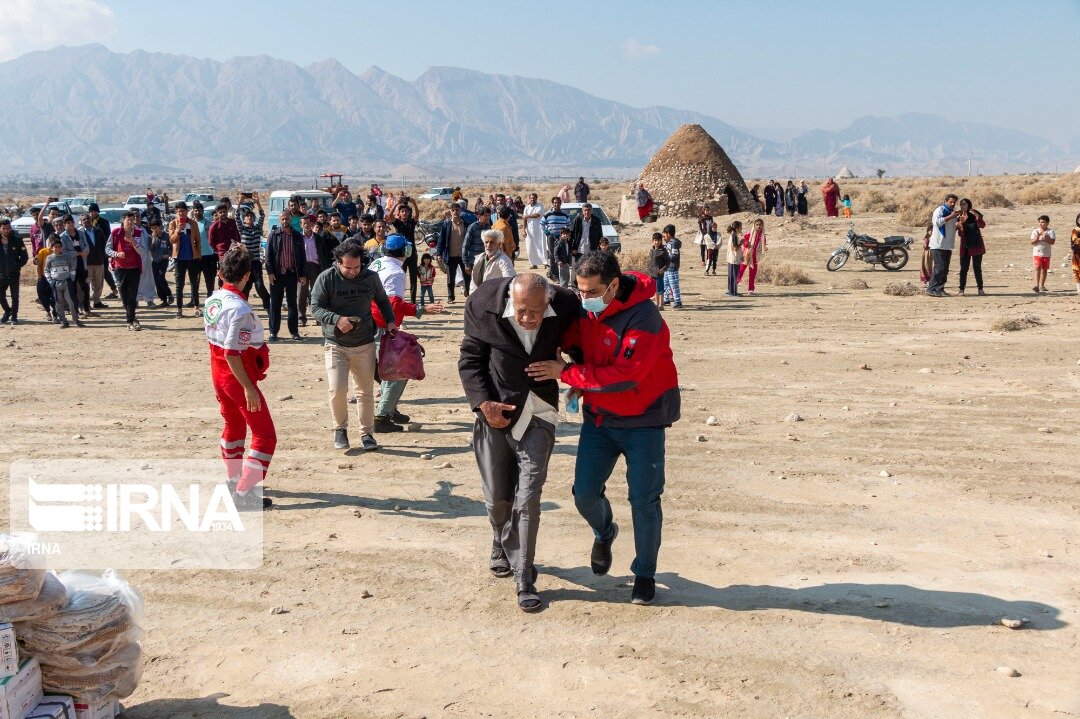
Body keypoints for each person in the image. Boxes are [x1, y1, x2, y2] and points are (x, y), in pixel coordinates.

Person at [526, 251, 680, 606]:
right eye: (579, 291)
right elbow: (572, 341)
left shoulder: (645, 317)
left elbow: (626, 377)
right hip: (599, 419)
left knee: (644, 500)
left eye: (591, 291)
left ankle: (644, 573)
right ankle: (604, 530)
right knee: (584, 493)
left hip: (644, 421)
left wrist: (566, 374)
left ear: (613, 285)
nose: (584, 298)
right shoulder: (584, 308)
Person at [459, 273, 581, 612]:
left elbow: (584, 347)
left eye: (536, 312)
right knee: (498, 497)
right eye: (522, 310)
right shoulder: (482, 304)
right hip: (495, 412)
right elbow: (470, 360)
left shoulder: (567, 305)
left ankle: (524, 577)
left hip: (540, 412)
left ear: (548, 303)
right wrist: (483, 404)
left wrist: (566, 368)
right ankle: (499, 538)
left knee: (528, 497)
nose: (528, 318)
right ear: (512, 299)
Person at [202, 244, 275, 511]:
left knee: (233, 427)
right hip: (236, 377)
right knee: (265, 435)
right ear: (247, 276)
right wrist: (249, 387)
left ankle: (234, 479)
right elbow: (233, 352)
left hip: (218, 374)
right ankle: (244, 492)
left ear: (221, 273)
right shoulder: (240, 310)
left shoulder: (213, 299)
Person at [311, 241, 397, 451]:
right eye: (347, 268)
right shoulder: (326, 278)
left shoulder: (370, 277)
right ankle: (340, 429)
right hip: (336, 345)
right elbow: (315, 308)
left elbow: (383, 300)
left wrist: (391, 321)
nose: (352, 271)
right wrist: (336, 319)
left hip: (365, 344)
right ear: (338, 263)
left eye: (356, 267)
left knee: (365, 392)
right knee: (337, 389)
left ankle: (367, 434)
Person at [369, 235, 445, 432]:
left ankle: (389, 409)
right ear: (407, 252)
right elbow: (393, 304)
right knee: (398, 368)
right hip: (382, 325)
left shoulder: (377, 263)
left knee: (389, 369)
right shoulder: (396, 272)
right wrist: (419, 309)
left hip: (371, 323)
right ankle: (382, 416)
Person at [265, 211, 304, 341]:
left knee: (292, 304)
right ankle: (273, 332)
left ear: (291, 219)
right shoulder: (274, 235)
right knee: (275, 304)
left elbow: (302, 257)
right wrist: (270, 272)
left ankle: (294, 332)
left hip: (292, 274)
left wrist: (302, 274)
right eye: (282, 219)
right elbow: (268, 255)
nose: (284, 220)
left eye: (287, 218)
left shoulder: (297, 235)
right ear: (279, 220)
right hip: (277, 275)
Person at [107, 211, 143, 331]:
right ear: (123, 221)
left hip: (134, 268)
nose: (131, 223)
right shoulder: (116, 233)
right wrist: (116, 254)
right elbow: (107, 249)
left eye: (133, 220)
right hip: (120, 268)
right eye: (129, 220)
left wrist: (134, 243)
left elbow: (143, 252)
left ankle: (130, 321)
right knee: (124, 296)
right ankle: (132, 318)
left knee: (132, 296)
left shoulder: (138, 233)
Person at [169, 202, 203, 317]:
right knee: (179, 285)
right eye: (179, 211)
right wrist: (178, 231)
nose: (181, 213)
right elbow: (172, 240)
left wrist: (198, 256)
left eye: (183, 211)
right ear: (176, 212)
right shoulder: (173, 224)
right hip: (179, 258)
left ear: (186, 211)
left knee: (194, 283)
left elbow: (198, 241)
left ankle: (196, 307)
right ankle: (179, 309)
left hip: (192, 257)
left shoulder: (193, 224)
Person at [436, 202, 472, 303]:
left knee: (467, 276)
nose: (455, 212)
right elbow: (441, 240)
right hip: (451, 255)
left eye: (457, 210)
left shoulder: (466, 223)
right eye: (453, 210)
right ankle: (451, 297)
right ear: (450, 211)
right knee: (450, 278)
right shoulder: (446, 224)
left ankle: (469, 295)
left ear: (460, 211)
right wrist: (439, 254)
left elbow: (470, 239)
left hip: (464, 256)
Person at [238, 201, 269, 311]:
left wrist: (257, 202)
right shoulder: (242, 229)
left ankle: (267, 304)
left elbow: (262, 215)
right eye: (247, 216)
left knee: (259, 285)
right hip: (245, 262)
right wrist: (240, 202)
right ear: (244, 219)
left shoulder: (257, 228)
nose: (249, 217)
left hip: (255, 262)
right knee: (245, 287)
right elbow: (237, 216)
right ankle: (243, 308)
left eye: (251, 216)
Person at [928, 194, 960, 297]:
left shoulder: (953, 213)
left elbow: (952, 227)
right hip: (938, 245)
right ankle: (932, 289)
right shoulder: (940, 210)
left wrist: (959, 223)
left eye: (954, 202)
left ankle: (940, 289)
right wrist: (952, 216)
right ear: (946, 201)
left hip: (947, 245)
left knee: (945, 269)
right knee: (939, 268)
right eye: (951, 202)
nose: (952, 204)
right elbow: (937, 223)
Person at [83, 203, 114, 307]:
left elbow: (106, 241)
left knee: (100, 280)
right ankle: (85, 302)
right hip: (87, 261)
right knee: (86, 282)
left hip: (100, 257)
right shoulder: (80, 232)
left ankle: (97, 301)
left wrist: (106, 254)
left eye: (95, 211)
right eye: (91, 212)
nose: (93, 213)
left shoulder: (102, 225)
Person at [0, 218, 29, 325]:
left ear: (10, 228)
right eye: (3, 228)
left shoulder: (17, 240)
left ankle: (14, 317)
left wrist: (17, 266)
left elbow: (24, 257)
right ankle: (7, 311)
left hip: (14, 274)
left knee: (14, 296)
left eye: (8, 228)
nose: (6, 230)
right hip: (1, 274)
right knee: (1, 295)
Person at [956, 199, 986, 296]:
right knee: (963, 269)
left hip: (976, 245)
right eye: (961, 205)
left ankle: (980, 289)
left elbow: (982, 225)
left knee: (977, 268)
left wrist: (975, 213)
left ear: (969, 205)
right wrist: (961, 223)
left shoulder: (974, 215)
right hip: (965, 246)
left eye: (964, 204)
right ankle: (961, 289)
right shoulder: (959, 217)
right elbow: (960, 233)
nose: (962, 206)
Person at [569, 203, 603, 283]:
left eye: (588, 210)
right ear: (582, 211)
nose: (586, 212)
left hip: (591, 249)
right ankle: (575, 286)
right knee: (577, 268)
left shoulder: (596, 220)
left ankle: (587, 285)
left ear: (591, 211)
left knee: (590, 268)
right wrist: (573, 248)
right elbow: (572, 234)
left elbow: (599, 235)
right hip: (578, 249)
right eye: (585, 210)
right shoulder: (577, 220)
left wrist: (599, 248)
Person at [540, 197, 571, 281]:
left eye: (558, 203)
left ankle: (551, 273)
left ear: (560, 203)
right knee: (553, 256)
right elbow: (542, 224)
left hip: (562, 239)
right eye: (555, 203)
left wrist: (566, 234)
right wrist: (547, 233)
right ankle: (555, 276)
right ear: (552, 204)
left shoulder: (565, 215)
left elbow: (569, 225)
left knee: (561, 256)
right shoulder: (548, 214)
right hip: (551, 237)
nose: (556, 204)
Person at [191, 201, 216, 302]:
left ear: (202, 211)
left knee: (209, 281)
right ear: (193, 211)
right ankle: (194, 300)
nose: (197, 212)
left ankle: (210, 299)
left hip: (208, 255)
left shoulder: (208, 224)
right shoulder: (190, 224)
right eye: (196, 210)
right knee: (194, 281)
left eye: (199, 210)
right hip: (195, 256)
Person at [147, 218, 174, 307]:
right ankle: (163, 299)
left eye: (156, 227)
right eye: (152, 228)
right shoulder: (150, 238)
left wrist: (169, 254)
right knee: (156, 280)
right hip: (154, 261)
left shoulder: (166, 236)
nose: (154, 230)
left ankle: (169, 294)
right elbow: (150, 249)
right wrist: (154, 240)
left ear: (160, 227)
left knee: (161, 278)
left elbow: (172, 247)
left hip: (163, 260)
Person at [739, 218, 767, 295]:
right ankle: (734, 285)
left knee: (753, 272)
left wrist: (765, 247)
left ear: (762, 225)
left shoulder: (762, 234)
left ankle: (751, 289)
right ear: (754, 225)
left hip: (755, 255)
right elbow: (744, 240)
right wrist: (746, 244)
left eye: (760, 225)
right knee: (741, 270)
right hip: (747, 253)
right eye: (757, 225)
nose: (758, 226)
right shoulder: (750, 233)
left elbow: (763, 243)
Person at [1030, 214, 1055, 294]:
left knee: (1044, 270)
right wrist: (1037, 237)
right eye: (1039, 222)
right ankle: (1036, 286)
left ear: (1047, 223)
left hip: (1046, 254)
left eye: (1043, 222)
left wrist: (1046, 237)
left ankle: (1042, 286)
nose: (1041, 224)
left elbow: (1052, 242)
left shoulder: (1051, 231)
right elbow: (1032, 242)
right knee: (1037, 268)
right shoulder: (1035, 231)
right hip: (1037, 253)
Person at [661, 224, 683, 309]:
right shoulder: (669, 243)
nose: (664, 238)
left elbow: (674, 255)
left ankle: (678, 301)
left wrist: (666, 260)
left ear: (668, 234)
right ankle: (666, 299)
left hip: (672, 267)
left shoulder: (674, 243)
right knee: (665, 283)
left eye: (664, 235)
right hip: (667, 267)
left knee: (673, 285)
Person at [646, 232, 669, 308]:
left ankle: (661, 305)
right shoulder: (651, 251)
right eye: (655, 240)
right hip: (652, 273)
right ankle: (657, 304)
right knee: (655, 289)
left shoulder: (663, 251)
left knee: (661, 290)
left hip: (659, 274)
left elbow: (668, 262)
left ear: (661, 241)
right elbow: (650, 261)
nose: (656, 242)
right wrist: (648, 268)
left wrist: (663, 269)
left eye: (658, 240)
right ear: (652, 241)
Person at [522, 192, 546, 268]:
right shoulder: (527, 207)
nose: (532, 199)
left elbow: (538, 215)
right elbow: (524, 219)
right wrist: (523, 230)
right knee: (530, 246)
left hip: (539, 229)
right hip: (529, 230)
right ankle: (533, 263)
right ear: (530, 199)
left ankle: (545, 262)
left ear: (536, 198)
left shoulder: (540, 206)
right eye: (531, 198)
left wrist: (528, 216)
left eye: (534, 198)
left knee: (540, 245)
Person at [725, 221, 744, 296]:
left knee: (731, 275)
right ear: (737, 228)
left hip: (732, 258)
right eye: (741, 227)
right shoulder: (734, 236)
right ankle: (733, 292)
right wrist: (742, 242)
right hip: (734, 259)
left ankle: (731, 291)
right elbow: (735, 248)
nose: (742, 228)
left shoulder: (733, 235)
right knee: (734, 275)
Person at [1071, 213, 1080, 296]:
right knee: (1077, 271)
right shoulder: (1076, 230)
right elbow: (1075, 241)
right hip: (1078, 253)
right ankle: (1079, 288)